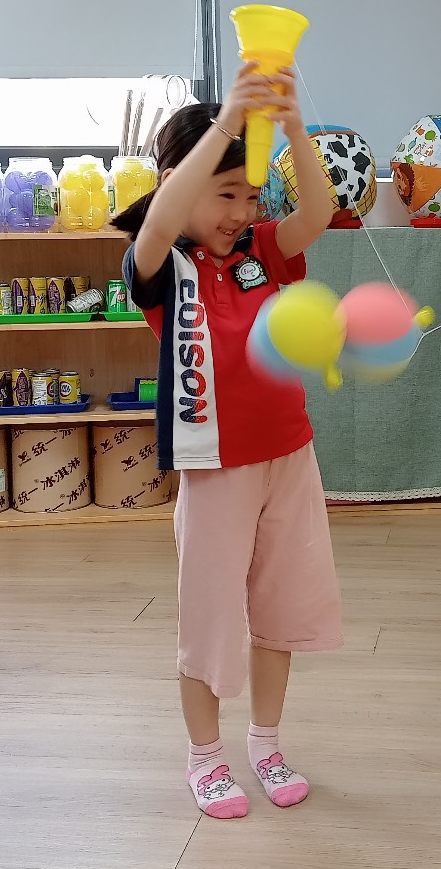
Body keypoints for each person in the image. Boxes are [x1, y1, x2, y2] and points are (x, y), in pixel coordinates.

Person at [114, 63, 342, 817]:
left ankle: (266, 745)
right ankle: (204, 758)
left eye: (252, 195)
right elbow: (156, 225)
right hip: (215, 469)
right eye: (226, 193)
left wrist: (292, 123)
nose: (243, 211)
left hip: (290, 456)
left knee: (281, 611)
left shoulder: (262, 251)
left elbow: (319, 210)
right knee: (210, 619)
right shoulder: (159, 265)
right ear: (177, 183)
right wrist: (223, 125)